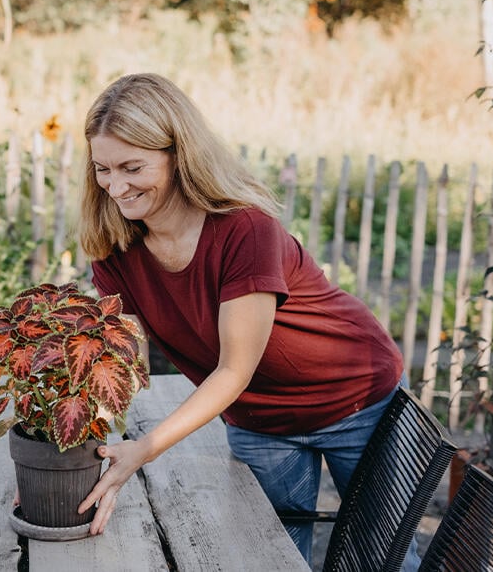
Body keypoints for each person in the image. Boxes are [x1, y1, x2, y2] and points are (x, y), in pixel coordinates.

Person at [75, 72, 409, 567]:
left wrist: (144, 449)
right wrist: (73, 458)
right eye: (103, 169)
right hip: (259, 420)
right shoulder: (116, 248)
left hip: (354, 399)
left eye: (132, 166)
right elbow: (119, 363)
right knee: (268, 557)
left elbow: (234, 369)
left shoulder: (244, 229)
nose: (116, 186)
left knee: (383, 559)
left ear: (178, 154)